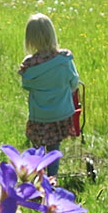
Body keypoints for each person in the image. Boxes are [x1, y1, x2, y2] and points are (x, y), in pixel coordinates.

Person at [18, 13, 81, 178]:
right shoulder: (64, 59)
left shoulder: (29, 65)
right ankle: (52, 179)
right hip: (61, 113)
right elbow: (73, 82)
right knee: (54, 146)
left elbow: (26, 85)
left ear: (30, 39)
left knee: (38, 146)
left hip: (39, 114)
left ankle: (37, 177)